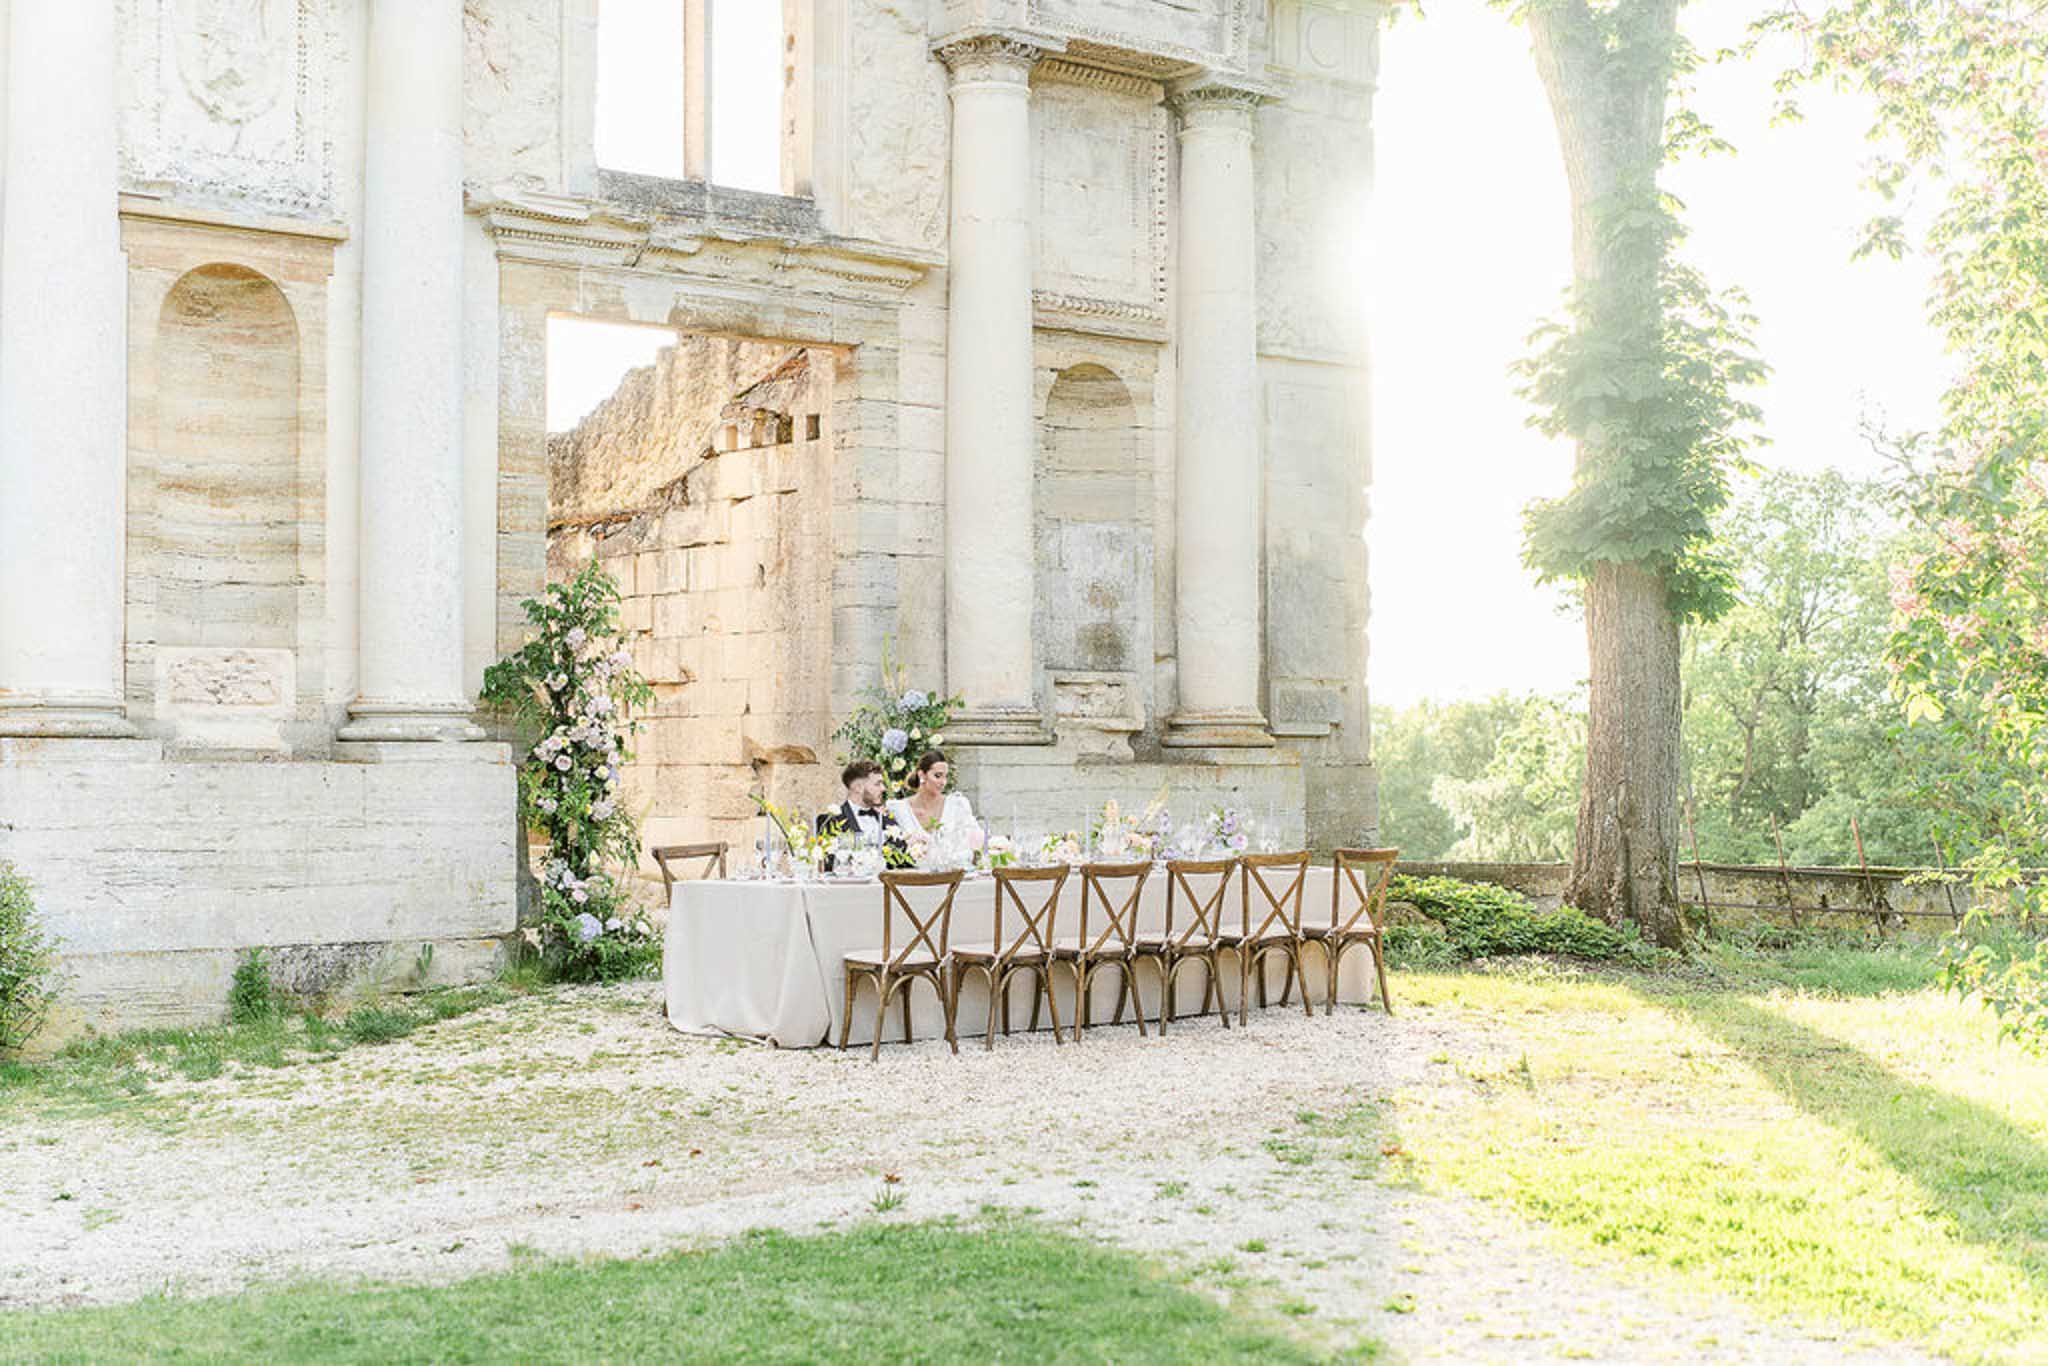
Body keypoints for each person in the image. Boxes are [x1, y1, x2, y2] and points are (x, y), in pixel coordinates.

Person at [888, 749, 975, 838]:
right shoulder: (899, 809)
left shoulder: (957, 805)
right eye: (938, 776)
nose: (943, 782)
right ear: (922, 775)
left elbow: (975, 840)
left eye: (945, 776)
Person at [818, 760, 899, 850]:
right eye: (877, 784)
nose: (883, 788)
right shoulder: (830, 821)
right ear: (858, 788)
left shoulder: (887, 819)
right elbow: (829, 861)